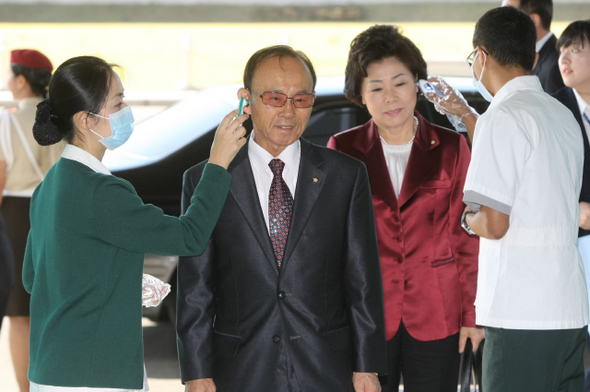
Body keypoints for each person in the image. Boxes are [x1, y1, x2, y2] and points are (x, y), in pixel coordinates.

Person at [23, 55, 246, 391]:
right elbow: (189, 236)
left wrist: (117, 276)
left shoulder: (50, 184)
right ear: (85, 119)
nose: (127, 110)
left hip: (50, 368)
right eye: (119, 102)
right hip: (96, 374)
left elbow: (34, 277)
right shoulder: (102, 191)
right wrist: (218, 162)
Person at [177, 45, 387, 392]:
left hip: (326, 367)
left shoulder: (345, 176)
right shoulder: (207, 179)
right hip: (241, 368)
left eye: (301, 99)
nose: (289, 112)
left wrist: (367, 367)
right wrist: (197, 373)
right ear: (247, 99)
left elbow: (363, 280)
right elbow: (196, 289)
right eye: (275, 98)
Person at [326, 25, 481, 392]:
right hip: (366, 318)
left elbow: (467, 239)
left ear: (417, 84)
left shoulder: (451, 148)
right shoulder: (342, 150)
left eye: (399, 82)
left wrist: (472, 314)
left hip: (438, 312)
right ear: (360, 96)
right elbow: (331, 245)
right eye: (376, 88)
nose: (390, 97)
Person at [460, 7, 587, 391]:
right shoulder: (561, 113)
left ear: (480, 57)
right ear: (533, 58)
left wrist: (467, 219)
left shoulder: (502, 116)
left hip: (521, 313)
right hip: (568, 309)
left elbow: (494, 223)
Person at [0, 48, 63, 392]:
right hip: (55, 212)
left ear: (21, 80)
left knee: (19, 315)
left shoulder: (6, 121)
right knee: (50, 309)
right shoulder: (59, 119)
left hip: (15, 220)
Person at [552, 19, 590, 392]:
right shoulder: (553, 107)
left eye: (576, 49)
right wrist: (572, 208)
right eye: (562, 50)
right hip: (573, 241)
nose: (564, 58)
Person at [501, 0, 564, 94]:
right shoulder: (518, 55)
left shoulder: (555, 67)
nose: (500, 21)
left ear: (533, 20)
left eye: (508, 13)